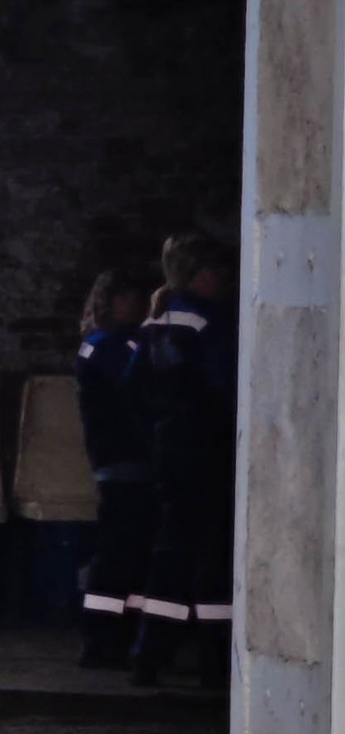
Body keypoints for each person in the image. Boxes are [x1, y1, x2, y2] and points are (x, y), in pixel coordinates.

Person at [129, 233, 238, 690]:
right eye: (217, 270)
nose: (225, 279)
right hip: (207, 447)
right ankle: (217, 660)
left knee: (169, 549)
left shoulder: (153, 320)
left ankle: (148, 654)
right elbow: (227, 384)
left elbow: (132, 387)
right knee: (212, 551)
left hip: (167, 447)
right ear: (199, 273)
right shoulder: (211, 319)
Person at [71, 268, 153, 669]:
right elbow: (134, 382)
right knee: (119, 551)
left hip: (129, 460)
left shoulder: (114, 343)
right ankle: (100, 637)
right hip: (122, 460)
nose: (134, 305)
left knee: (131, 552)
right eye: (126, 297)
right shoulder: (105, 346)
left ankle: (118, 635)